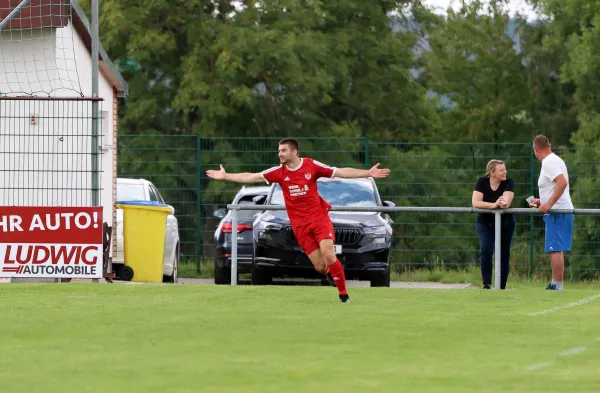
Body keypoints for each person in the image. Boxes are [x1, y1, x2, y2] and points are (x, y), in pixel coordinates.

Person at [206, 137, 391, 303]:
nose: (280, 154)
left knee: (328, 254)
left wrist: (367, 173)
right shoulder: (278, 172)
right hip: (300, 226)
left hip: (319, 219)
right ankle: (330, 274)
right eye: (279, 151)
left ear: (294, 152)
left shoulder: (311, 166)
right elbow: (251, 176)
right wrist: (226, 176)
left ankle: (343, 295)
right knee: (319, 266)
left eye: (283, 150)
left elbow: (340, 172)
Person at [528, 135, 574, 291]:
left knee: (554, 248)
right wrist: (542, 201)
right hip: (561, 208)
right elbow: (557, 185)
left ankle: (557, 285)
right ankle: (556, 283)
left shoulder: (548, 162)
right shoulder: (556, 159)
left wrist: (549, 203)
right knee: (557, 248)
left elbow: (562, 183)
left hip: (557, 210)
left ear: (536, 149)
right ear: (549, 145)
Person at [472, 159, 515, 289]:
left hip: (505, 223)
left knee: (504, 253)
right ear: (492, 173)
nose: (505, 172)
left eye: (505, 169)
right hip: (485, 222)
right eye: (501, 170)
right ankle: (486, 283)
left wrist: (501, 203)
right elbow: (475, 202)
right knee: (486, 249)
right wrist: (493, 205)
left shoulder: (509, 182)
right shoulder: (482, 182)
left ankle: (501, 286)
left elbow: (506, 202)